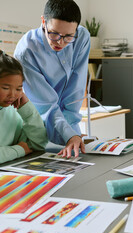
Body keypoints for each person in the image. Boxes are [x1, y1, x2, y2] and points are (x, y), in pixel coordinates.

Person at [14, 0, 90, 158]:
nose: (60, 42)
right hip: (40, 128)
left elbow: (75, 90)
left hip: (70, 125)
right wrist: (68, 134)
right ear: (43, 21)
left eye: (69, 36)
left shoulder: (82, 37)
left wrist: (72, 134)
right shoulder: (26, 51)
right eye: (54, 34)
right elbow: (45, 106)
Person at [0, 50, 48, 163]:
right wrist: (19, 150)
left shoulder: (14, 111)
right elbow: (25, 148)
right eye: (6, 88)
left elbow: (38, 144)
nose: (12, 95)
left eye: (18, 89)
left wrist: (26, 108)